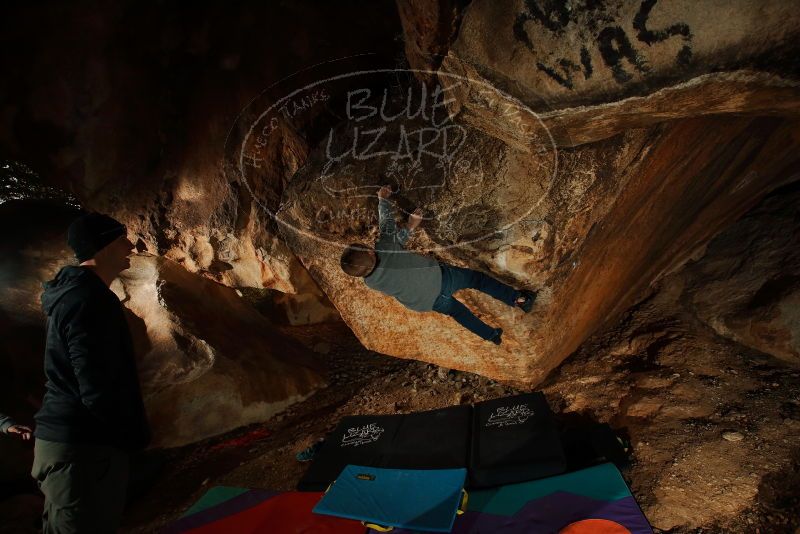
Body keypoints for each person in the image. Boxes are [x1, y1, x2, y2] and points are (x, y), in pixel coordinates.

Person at [31, 212, 151, 533]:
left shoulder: (78, 295)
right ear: (104, 248)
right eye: (122, 239)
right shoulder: (89, 301)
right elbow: (96, 384)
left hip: (73, 446)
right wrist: (127, 437)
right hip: (83, 451)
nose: (130, 246)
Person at [340, 185, 536, 345]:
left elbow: (394, 248)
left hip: (427, 302)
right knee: (478, 280)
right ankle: (519, 299)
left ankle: (491, 336)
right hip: (443, 279)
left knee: (460, 313)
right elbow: (387, 224)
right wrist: (385, 201)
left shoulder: (371, 282)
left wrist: (408, 229)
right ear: (369, 251)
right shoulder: (385, 246)